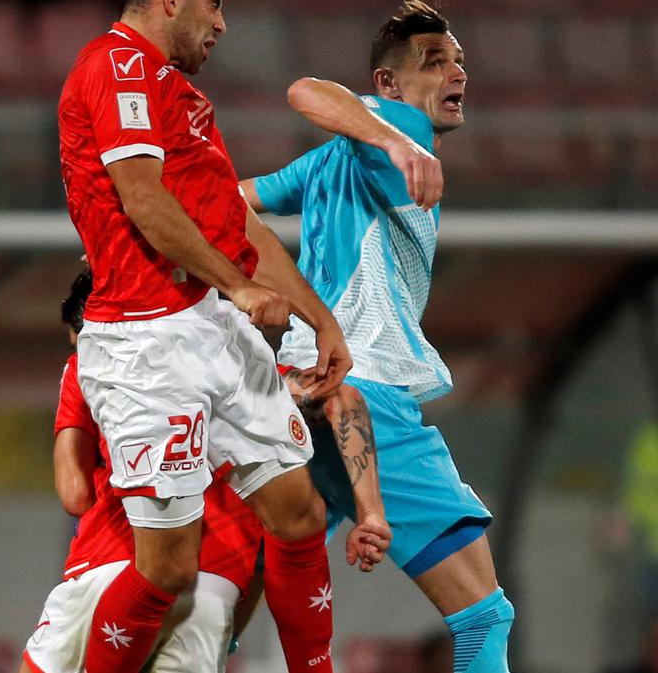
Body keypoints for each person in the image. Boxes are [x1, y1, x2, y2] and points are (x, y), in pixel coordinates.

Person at [57, 0, 354, 673]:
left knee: (299, 512)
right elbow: (141, 196)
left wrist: (320, 316)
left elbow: (242, 223)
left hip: (213, 327)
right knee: (167, 569)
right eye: (213, 5)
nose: (221, 25)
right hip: (144, 340)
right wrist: (240, 285)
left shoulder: (182, 97)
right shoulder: (116, 64)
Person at [242, 0, 515, 673]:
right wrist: (397, 138)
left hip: (298, 392)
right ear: (387, 85)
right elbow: (308, 90)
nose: (457, 72)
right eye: (434, 61)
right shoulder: (397, 132)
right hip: (366, 392)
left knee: (229, 598)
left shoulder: (333, 160)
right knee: (485, 614)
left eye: (460, 61)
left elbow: (236, 196)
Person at [21, 272, 390, 673]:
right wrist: (370, 513)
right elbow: (343, 399)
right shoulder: (241, 369)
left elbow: (74, 492)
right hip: (213, 590)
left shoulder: (92, 367)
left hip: (119, 569)